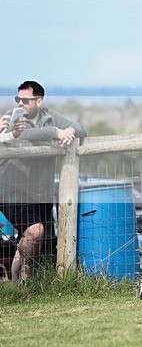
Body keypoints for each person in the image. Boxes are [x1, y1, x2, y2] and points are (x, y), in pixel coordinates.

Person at [0, 81, 87, 282]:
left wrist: (69, 133)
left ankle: (14, 278)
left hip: (40, 191)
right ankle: (27, 276)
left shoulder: (50, 117)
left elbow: (80, 128)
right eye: (18, 99)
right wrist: (56, 133)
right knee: (35, 231)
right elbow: (23, 134)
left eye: (26, 100)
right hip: (12, 188)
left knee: (30, 237)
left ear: (39, 101)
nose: (21, 104)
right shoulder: (13, 119)